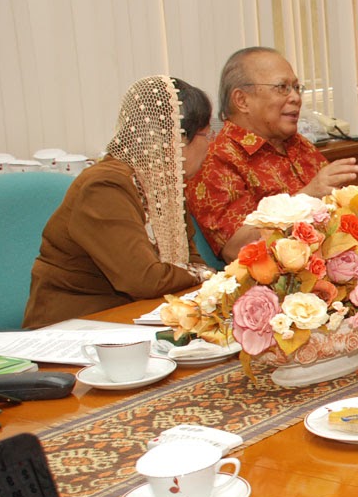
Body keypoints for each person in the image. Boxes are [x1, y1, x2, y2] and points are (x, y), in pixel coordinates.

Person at [23, 76, 214, 329]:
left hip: (134, 317)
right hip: (73, 327)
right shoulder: (104, 186)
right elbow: (145, 280)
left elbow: (192, 260)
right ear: (177, 139)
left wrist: (197, 272)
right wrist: (201, 273)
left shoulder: (163, 185)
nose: (211, 143)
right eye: (206, 134)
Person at [185, 46, 358, 262]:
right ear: (242, 100)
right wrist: (306, 198)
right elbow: (236, 249)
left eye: (297, 87)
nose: (296, 97)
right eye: (282, 88)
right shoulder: (217, 158)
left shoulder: (295, 143)